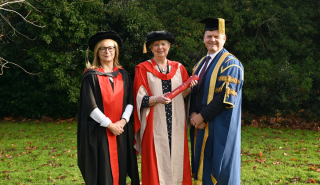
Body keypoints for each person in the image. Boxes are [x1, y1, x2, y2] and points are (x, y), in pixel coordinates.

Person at [133, 31, 196, 185]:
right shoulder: (143, 69)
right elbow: (139, 98)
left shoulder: (179, 68)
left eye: (163, 44)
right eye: (156, 44)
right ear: (150, 48)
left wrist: (189, 88)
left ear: (169, 46)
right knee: (155, 161)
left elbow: (183, 95)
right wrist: (157, 99)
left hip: (176, 123)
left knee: (177, 158)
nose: (160, 47)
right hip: (154, 124)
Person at [77, 30, 139, 185]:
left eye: (111, 48)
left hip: (121, 132)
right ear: (97, 51)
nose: (107, 51)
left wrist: (122, 122)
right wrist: (110, 125)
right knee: (103, 173)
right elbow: (90, 106)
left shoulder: (123, 74)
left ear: (115, 51)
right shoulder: (91, 76)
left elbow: (130, 102)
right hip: (100, 132)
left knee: (121, 169)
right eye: (103, 48)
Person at [189, 18, 244, 185]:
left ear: (224, 38)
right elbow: (194, 92)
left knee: (219, 169)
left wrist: (202, 116)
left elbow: (225, 98)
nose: (212, 39)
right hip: (200, 126)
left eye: (216, 36)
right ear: (203, 38)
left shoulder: (231, 63)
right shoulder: (200, 64)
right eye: (209, 36)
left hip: (219, 126)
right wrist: (193, 114)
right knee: (201, 166)